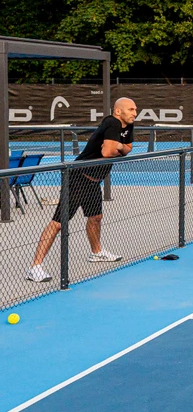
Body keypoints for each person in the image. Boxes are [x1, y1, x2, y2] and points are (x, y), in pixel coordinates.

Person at [26, 98, 136, 283]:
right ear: (118, 111)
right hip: (77, 177)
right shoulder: (112, 122)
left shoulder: (128, 126)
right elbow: (107, 153)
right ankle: (35, 267)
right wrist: (117, 148)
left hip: (93, 181)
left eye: (135, 110)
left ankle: (96, 252)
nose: (134, 113)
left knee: (96, 218)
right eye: (131, 109)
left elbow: (127, 148)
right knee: (58, 223)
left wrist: (118, 146)